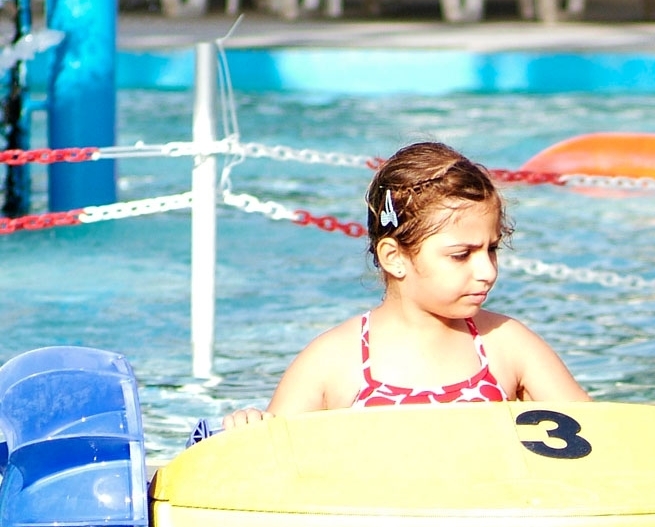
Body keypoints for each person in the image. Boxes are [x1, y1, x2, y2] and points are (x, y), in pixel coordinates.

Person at [225, 141, 588, 429]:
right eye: (461, 255)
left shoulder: (506, 345)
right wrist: (250, 429)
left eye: (491, 250)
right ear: (394, 257)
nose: (487, 271)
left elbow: (600, 437)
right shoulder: (332, 361)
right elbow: (271, 471)